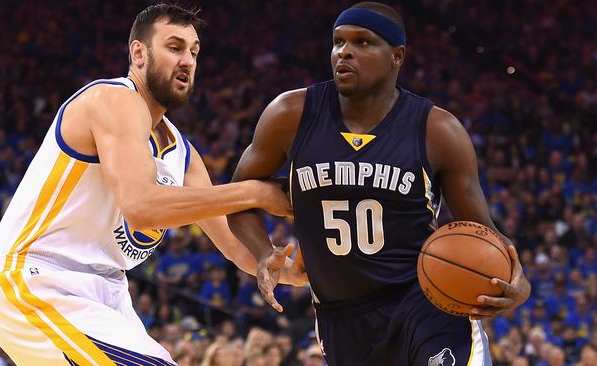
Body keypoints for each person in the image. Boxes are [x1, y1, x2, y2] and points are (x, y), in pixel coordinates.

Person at [0, 3, 305, 365]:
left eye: (194, 52)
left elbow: (232, 245)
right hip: (40, 277)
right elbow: (141, 207)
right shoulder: (113, 99)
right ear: (139, 52)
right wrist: (256, 192)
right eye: (174, 47)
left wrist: (277, 263)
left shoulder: (181, 152)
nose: (188, 60)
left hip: (109, 291)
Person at [227, 2, 531, 365]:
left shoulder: (438, 130)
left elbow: (485, 232)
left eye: (363, 42)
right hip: (340, 318)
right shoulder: (289, 114)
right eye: (338, 42)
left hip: (424, 304)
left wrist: (519, 282)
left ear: (396, 57)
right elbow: (238, 197)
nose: (345, 52)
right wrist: (263, 252)